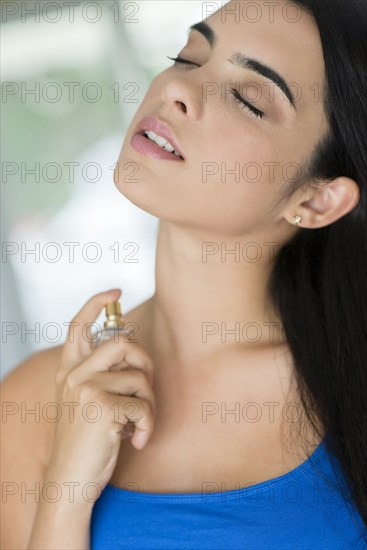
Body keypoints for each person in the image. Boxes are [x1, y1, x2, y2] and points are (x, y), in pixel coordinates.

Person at [2, 0, 367, 548]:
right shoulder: (33, 402)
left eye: (248, 99)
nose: (177, 89)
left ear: (318, 200)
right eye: (189, 57)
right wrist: (66, 495)